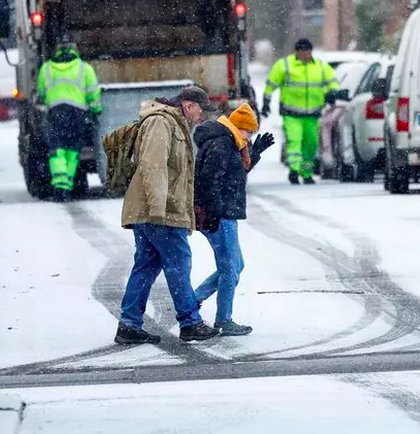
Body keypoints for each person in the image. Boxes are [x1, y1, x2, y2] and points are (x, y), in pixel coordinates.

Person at [115, 86, 221, 345]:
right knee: (179, 263)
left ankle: (129, 324)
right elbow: (154, 166)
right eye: (200, 110)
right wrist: (158, 209)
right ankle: (190, 322)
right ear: (188, 105)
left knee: (147, 265)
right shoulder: (162, 123)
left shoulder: (172, 123)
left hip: (154, 210)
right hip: (158, 212)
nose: (201, 116)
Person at [193, 103, 275, 336]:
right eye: (248, 132)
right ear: (238, 127)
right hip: (220, 216)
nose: (249, 138)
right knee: (230, 268)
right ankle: (223, 320)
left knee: (235, 265)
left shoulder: (229, 142)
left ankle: (193, 300)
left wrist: (255, 152)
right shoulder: (222, 143)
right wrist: (216, 211)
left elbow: (235, 172)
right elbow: (211, 180)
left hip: (224, 213)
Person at [262, 38, 339, 185]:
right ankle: (294, 170)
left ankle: (307, 173)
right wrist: (266, 101)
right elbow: (271, 83)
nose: (305, 53)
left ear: (311, 51)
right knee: (294, 141)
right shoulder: (284, 65)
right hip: (292, 114)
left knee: (310, 145)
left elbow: (332, 82)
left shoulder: (321, 67)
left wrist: (332, 93)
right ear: (296, 51)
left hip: (313, 114)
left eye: (307, 50)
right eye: (302, 51)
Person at [37, 34, 101, 202]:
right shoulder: (84, 68)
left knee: (57, 150)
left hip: (56, 113)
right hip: (77, 114)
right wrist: (96, 109)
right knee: (73, 151)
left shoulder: (46, 68)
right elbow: (93, 92)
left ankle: (60, 187)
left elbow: (41, 93)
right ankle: (68, 186)